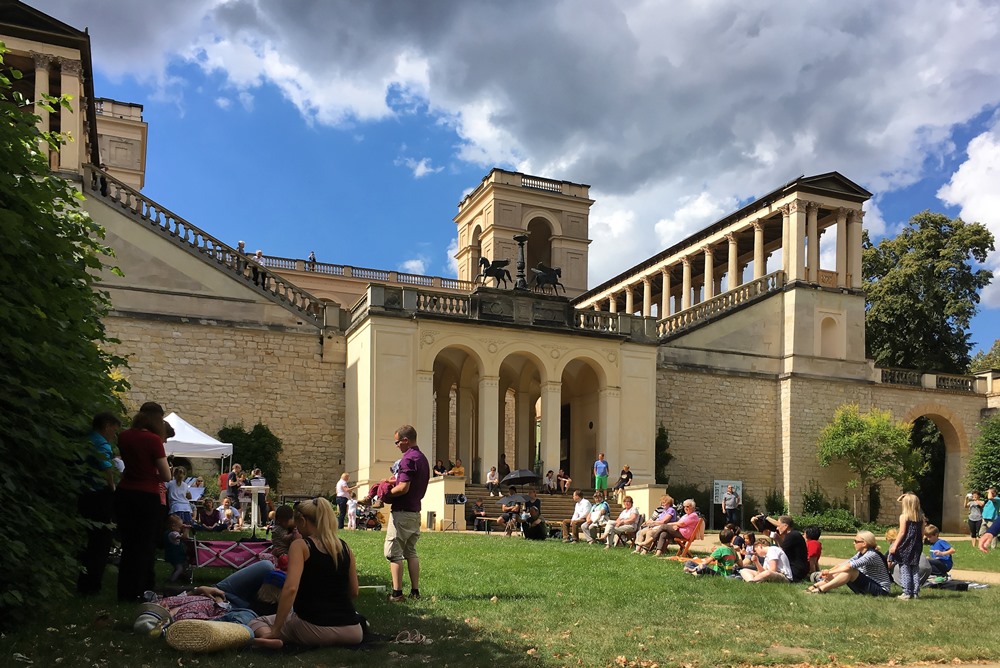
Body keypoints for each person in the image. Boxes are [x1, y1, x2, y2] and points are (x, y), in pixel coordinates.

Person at [249, 498, 364, 648]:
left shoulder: (301, 546)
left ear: (302, 521)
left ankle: (269, 639)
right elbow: (354, 591)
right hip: (353, 631)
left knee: (257, 622)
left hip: (314, 628)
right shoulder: (344, 547)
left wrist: (276, 629)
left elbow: (290, 589)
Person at [114, 405, 171, 601]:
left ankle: (124, 591)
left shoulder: (124, 436)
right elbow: (166, 475)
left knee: (129, 544)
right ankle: (141, 589)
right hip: (147, 495)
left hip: (125, 492)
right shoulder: (154, 440)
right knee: (144, 545)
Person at [381, 425, 430, 602]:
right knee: (411, 552)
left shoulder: (407, 459)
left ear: (405, 440)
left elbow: (403, 487)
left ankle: (397, 594)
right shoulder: (422, 459)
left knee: (394, 553)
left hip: (402, 512)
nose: (396, 446)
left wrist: (385, 494)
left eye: (397, 442)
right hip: (415, 511)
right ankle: (415, 592)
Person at [77, 411, 121, 596]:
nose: (114, 434)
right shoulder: (102, 443)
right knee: (101, 541)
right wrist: (112, 487)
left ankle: (83, 582)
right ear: (107, 425)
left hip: (85, 494)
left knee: (90, 541)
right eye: (113, 430)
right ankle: (92, 585)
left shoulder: (87, 439)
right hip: (99, 496)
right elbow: (106, 467)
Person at [806, 531, 892, 596]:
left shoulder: (871, 555)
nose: (853, 543)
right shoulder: (861, 553)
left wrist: (829, 572)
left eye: (856, 541)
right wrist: (829, 570)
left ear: (864, 543)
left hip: (881, 591)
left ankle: (822, 589)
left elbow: (849, 567)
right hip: (867, 586)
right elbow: (843, 565)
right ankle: (815, 586)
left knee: (850, 571)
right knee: (842, 569)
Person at [888, 492, 925, 600]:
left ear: (905, 504)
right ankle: (915, 592)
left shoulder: (904, 517)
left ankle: (906, 592)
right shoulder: (921, 518)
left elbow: (902, 532)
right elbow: (922, 534)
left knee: (904, 569)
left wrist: (895, 545)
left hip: (905, 545)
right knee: (914, 569)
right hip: (917, 546)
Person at [774, 516, 809, 583]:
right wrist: (777, 539)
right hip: (800, 569)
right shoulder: (793, 534)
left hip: (795, 570)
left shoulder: (792, 535)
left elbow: (780, 552)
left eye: (778, 525)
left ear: (785, 526)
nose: (777, 528)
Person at [164, 514, 190, 582]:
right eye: (179, 528)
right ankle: (172, 580)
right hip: (174, 555)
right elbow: (185, 537)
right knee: (179, 568)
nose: (180, 530)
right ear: (173, 526)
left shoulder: (174, 533)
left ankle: (174, 577)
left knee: (178, 568)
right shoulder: (173, 534)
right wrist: (187, 529)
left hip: (176, 555)